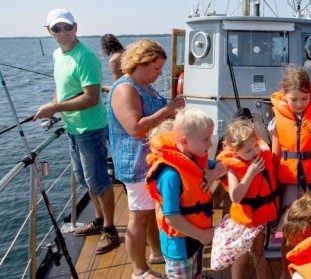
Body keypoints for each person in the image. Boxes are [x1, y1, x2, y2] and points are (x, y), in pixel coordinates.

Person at [34, 8, 119, 255]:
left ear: (76, 27)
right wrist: (54, 111)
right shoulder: (57, 55)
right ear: (49, 32)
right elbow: (61, 89)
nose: (63, 33)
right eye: (56, 29)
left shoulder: (86, 57)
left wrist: (54, 107)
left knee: (99, 180)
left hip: (90, 128)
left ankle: (111, 230)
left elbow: (92, 98)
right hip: (72, 127)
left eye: (67, 27)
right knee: (84, 179)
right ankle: (99, 219)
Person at [107, 39, 185, 279]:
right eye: (156, 68)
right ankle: (138, 270)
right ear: (140, 63)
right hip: (136, 163)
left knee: (150, 211)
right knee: (139, 216)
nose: (159, 73)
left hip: (151, 161)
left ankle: (155, 253)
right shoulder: (125, 89)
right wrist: (168, 110)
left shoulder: (145, 85)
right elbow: (134, 128)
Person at [269, 65, 311, 279]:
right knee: (288, 231)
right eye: (293, 99)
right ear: (284, 94)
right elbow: (274, 157)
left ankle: (310, 272)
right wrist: (271, 193)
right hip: (288, 186)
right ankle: (285, 273)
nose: (299, 104)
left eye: (304, 99)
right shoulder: (276, 123)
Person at [145, 107, 227, 279]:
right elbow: (171, 218)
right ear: (184, 141)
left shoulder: (194, 159)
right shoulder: (170, 175)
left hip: (195, 240)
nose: (210, 145)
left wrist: (212, 174)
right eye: (205, 140)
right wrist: (202, 235)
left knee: (195, 273)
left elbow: (223, 165)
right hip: (179, 246)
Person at [212, 119, 279, 278]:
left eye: (256, 146)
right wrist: (250, 174)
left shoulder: (261, 155)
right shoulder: (234, 168)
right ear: (235, 152)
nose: (255, 152)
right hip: (245, 219)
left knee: (258, 251)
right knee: (240, 255)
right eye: (248, 151)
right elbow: (235, 196)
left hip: (261, 217)